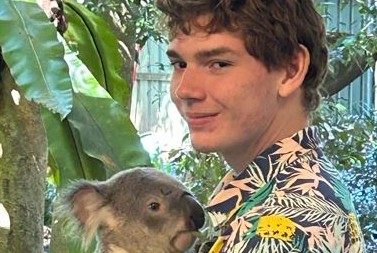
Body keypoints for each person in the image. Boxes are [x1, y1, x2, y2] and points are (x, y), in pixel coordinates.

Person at [155, 0, 365, 252]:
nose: (184, 90)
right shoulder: (280, 186)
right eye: (179, 64)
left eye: (219, 64)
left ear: (291, 70)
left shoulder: (282, 227)